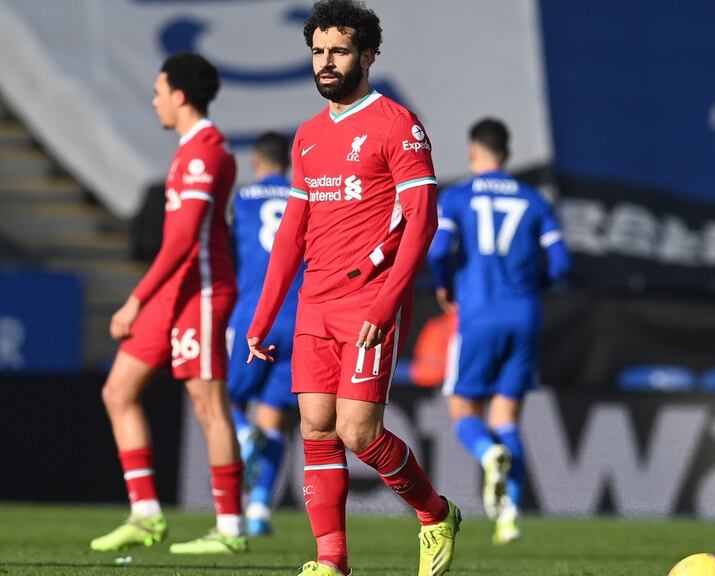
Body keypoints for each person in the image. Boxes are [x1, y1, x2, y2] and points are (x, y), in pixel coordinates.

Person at [245, 2, 459, 574]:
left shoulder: (398, 124)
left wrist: (389, 301)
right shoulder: (308, 137)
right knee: (315, 426)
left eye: (338, 51)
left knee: (358, 432)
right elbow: (293, 233)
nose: (326, 63)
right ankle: (331, 561)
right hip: (314, 301)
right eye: (318, 52)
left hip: (370, 298)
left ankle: (435, 513)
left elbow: (423, 220)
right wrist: (264, 317)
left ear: (367, 55)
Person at [91, 53, 247, 554]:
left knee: (208, 405)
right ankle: (145, 514)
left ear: (180, 95)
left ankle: (230, 528)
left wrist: (134, 301)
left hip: (199, 291)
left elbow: (182, 241)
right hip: (175, 293)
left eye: (159, 91)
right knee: (118, 391)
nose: (155, 100)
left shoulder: (206, 152)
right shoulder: (189, 150)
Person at [426, 118, 572, 544]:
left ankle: (489, 455)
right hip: (524, 315)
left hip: (478, 315)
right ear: (505, 154)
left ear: (474, 153)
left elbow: (438, 249)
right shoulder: (534, 201)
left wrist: (443, 285)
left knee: (463, 412)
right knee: (506, 416)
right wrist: (531, 290)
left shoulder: (457, 197)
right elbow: (562, 265)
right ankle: (510, 516)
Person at [226, 131, 301, 536]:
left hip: (252, 316)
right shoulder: (304, 196)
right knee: (274, 420)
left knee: (225, 397)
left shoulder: (242, 198)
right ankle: (258, 511)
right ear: (287, 163)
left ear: (256, 162)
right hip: (296, 319)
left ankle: (241, 433)